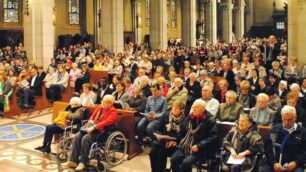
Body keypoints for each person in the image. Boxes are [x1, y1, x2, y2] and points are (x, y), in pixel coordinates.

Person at [63, 95, 118, 171]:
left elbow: (107, 121)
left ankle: (83, 162)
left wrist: (95, 127)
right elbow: (92, 116)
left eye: (105, 102)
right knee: (77, 136)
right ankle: (73, 161)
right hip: (91, 128)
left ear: (110, 104)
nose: (103, 103)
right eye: (103, 101)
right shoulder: (99, 107)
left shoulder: (113, 112)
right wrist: (89, 123)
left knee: (86, 138)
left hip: (101, 132)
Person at [170, 99, 218, 172]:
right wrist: (175, 141)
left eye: (196, 107)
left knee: (186, 163)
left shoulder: (210, 120)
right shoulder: (190, 117)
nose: (193, 109)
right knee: (174, 159)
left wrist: (199, 145)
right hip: (185, 146)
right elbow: (182, 133)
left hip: (200, 149)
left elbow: (213, 137)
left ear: (202, 109)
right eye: (193, 107)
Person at [265, 105, 306, 172]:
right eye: (284, 119)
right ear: (281, 118)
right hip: (275, 163)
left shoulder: (303, 132)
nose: (287, 123)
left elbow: (304, 151)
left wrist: (296, 162)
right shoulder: (274, 129)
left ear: (295, 118)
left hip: (295, 164)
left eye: (290, 120)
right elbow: (268, 149)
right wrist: (273, 163)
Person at [149, 100, 186, 172]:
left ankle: (161, 170)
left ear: (182, 110)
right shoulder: (166, 115)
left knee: (160, 154)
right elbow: (158, 129)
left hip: (176, 142)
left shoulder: (185, 119)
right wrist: (161, 136)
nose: (173, 109)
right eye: (173, 107)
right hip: (164, 140)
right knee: (153, 152)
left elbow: (183, 135)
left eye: (176, 108)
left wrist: (174, 141)